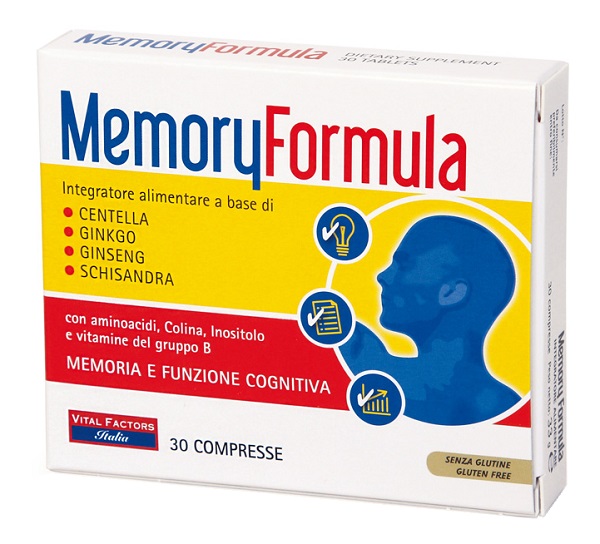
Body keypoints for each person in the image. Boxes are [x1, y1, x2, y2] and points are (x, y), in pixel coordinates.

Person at [340, 215, 521, 425]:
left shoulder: (359, 355)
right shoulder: (506, 406)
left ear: (452, 293)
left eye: (403, 265)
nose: (383, 276)